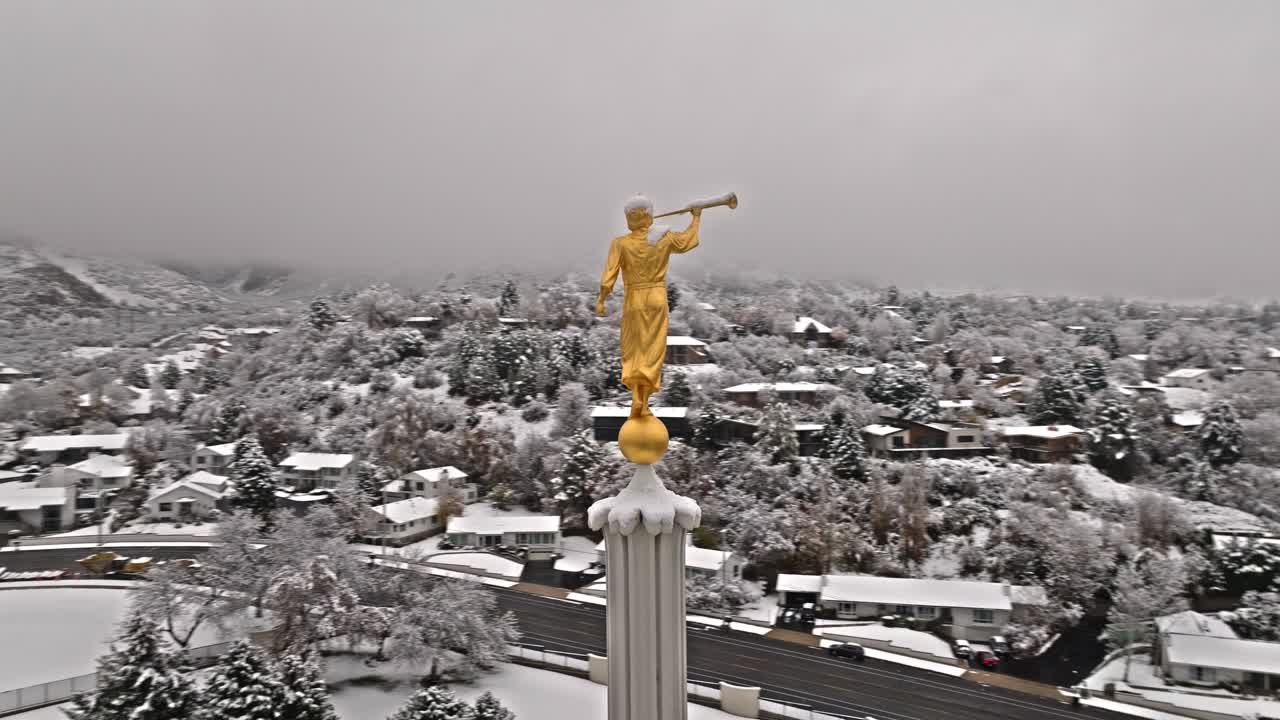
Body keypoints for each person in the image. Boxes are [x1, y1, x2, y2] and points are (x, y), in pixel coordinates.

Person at [596, 195, 701, 418]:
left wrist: (601, 301)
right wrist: (696, 218)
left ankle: (637, 396)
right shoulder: (664, 238)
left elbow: (608, 278)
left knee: (634, 349)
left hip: (634, 299)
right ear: (649, 216)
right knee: (652, 350)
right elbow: (686, 241)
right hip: (656, 297)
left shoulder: (620, 243)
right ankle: (644, 403)